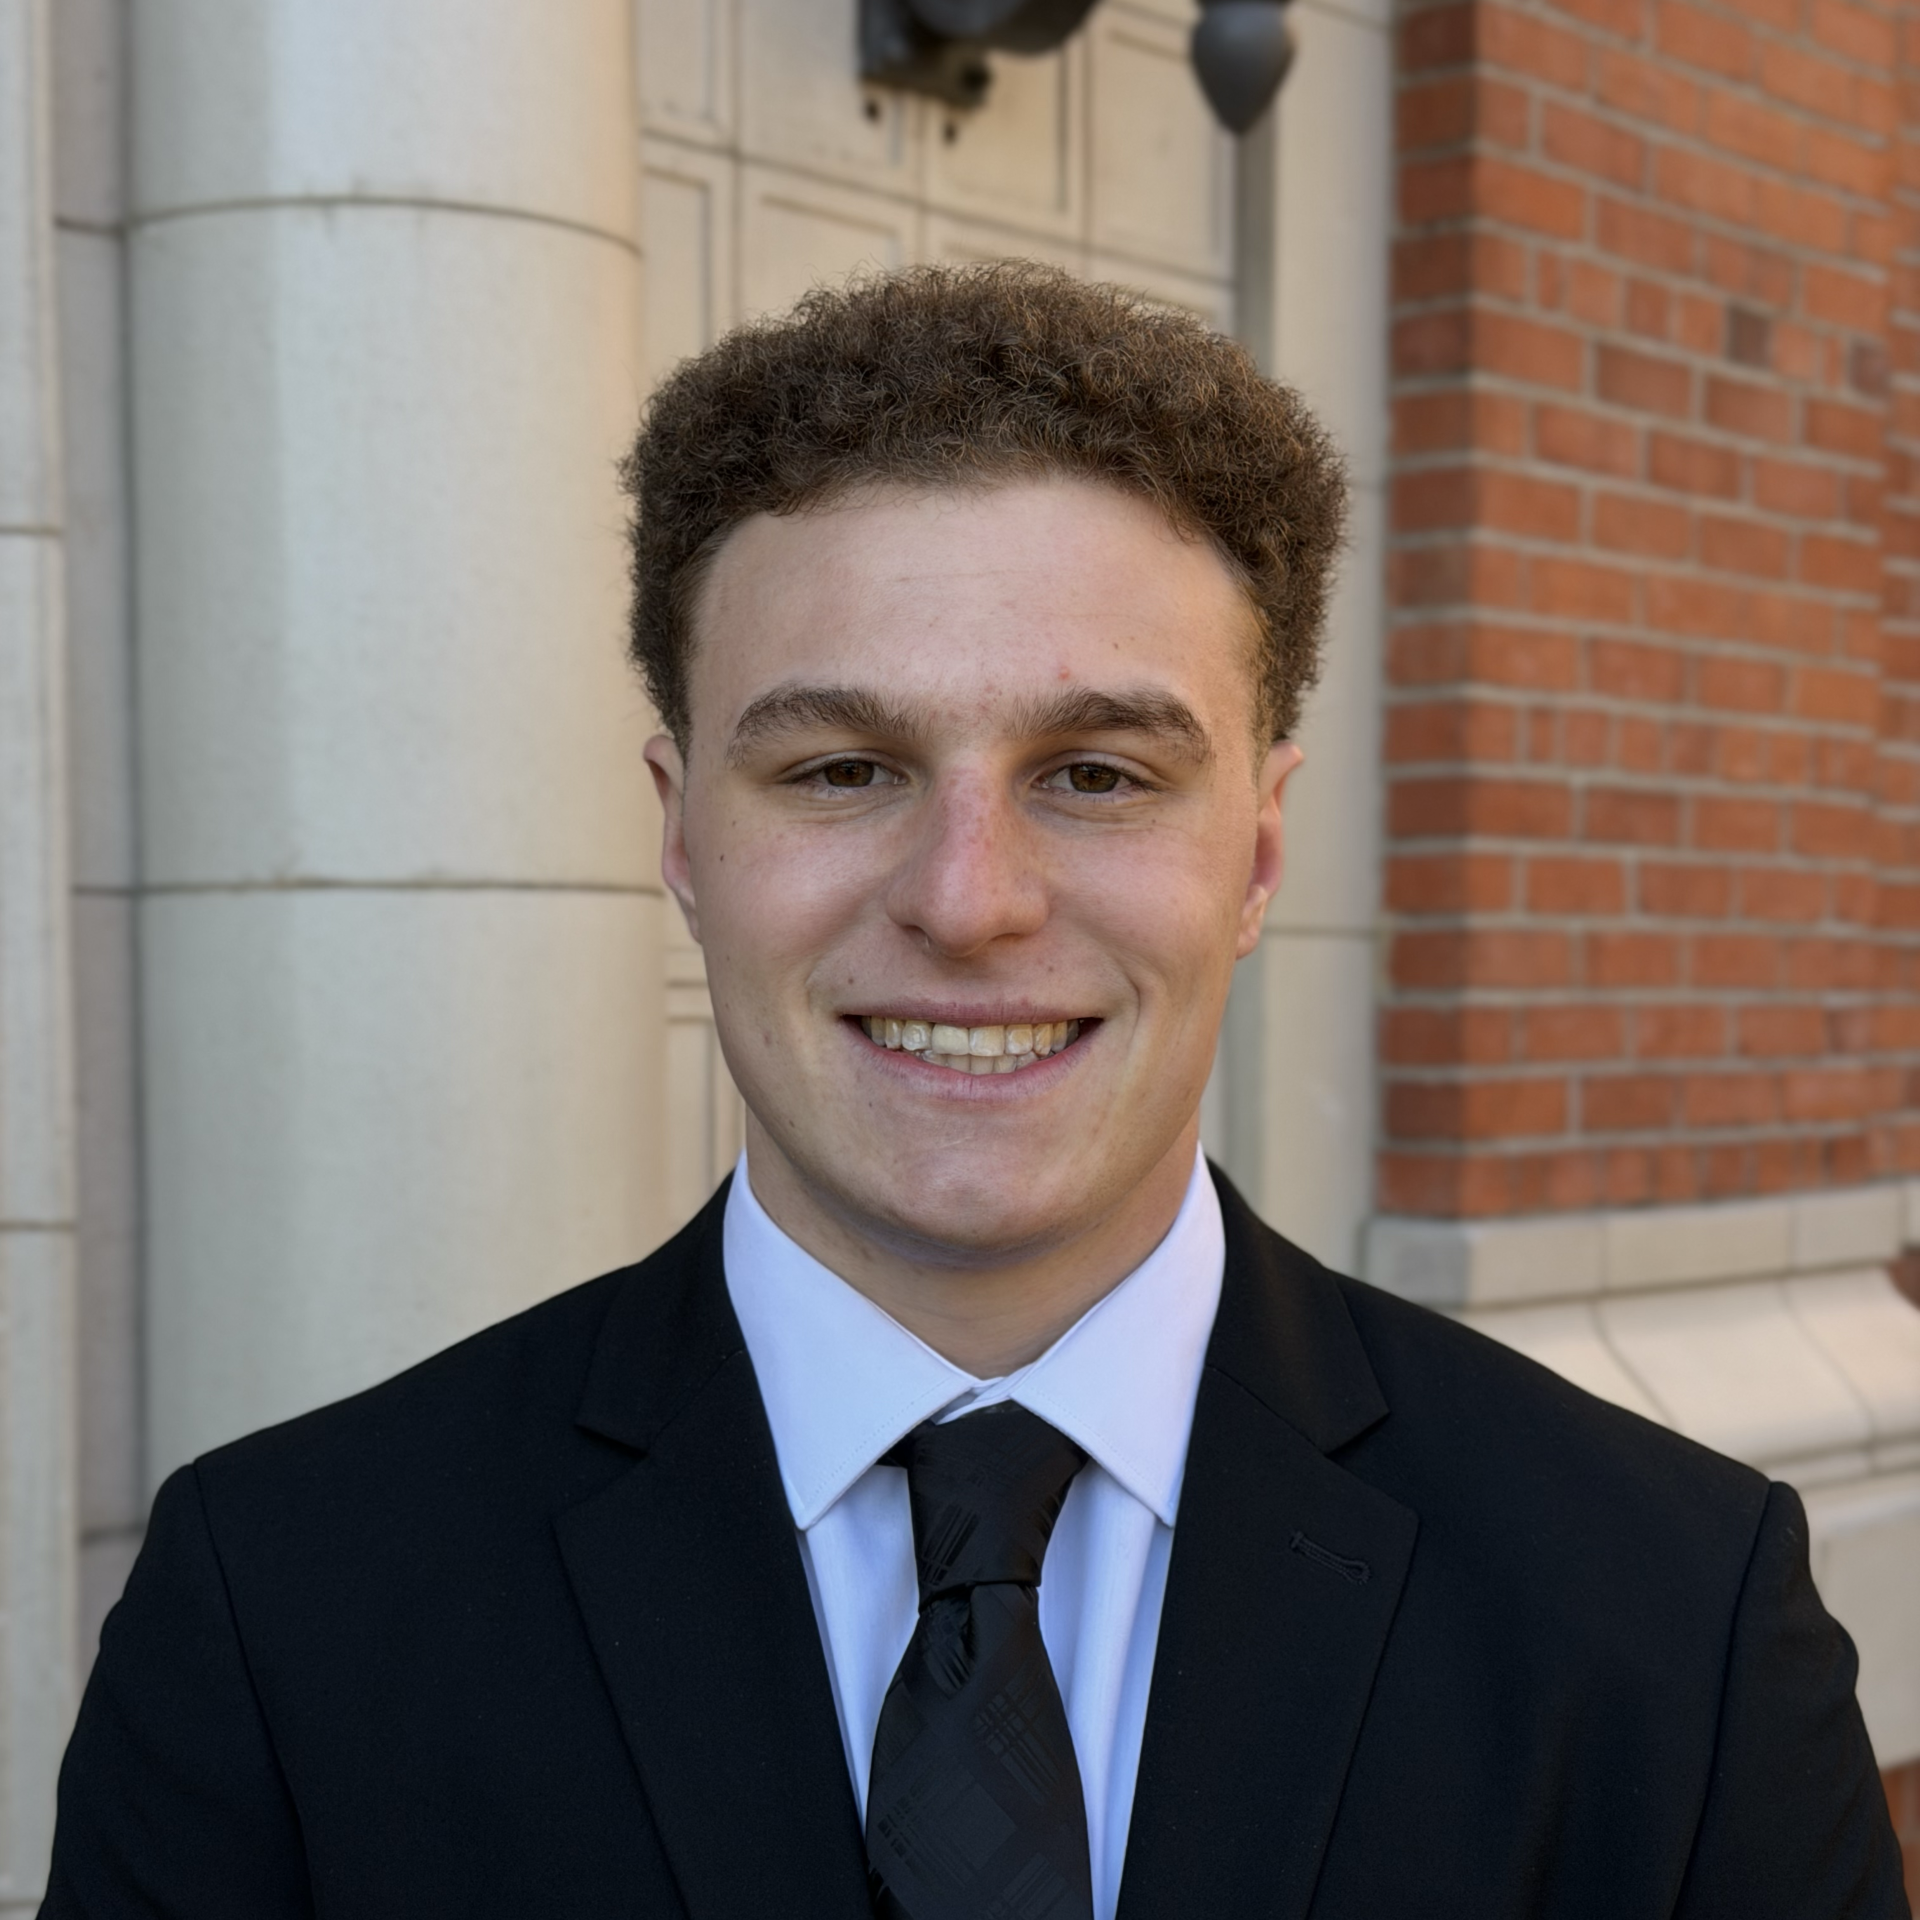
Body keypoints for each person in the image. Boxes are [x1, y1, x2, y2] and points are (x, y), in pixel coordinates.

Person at [41, 263, 1906, 1919]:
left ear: (1257, 854)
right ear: (681, 834)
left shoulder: (1673, 1617)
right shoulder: (283, 1610)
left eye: (1097, 773)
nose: (967, 899)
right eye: (842, 768)